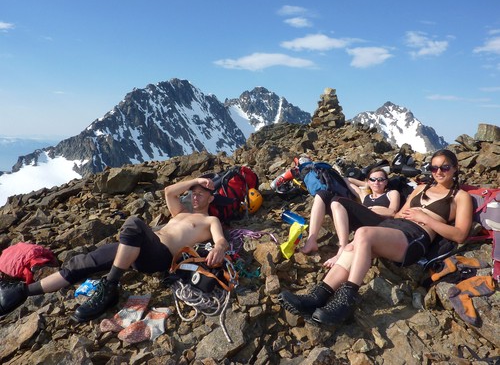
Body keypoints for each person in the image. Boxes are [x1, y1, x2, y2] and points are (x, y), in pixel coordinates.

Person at [280, 149, 472, 326]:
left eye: (445, 167)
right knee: (353, 245)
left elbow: (461, 234)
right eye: (434, 167)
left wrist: (425, 219)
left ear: (455, 168)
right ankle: (317, 296)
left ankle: (346, 301)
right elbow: (398, 215)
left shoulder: (460, 196)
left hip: (415, 237)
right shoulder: (421, 188)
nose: (438, 172)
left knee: (363, 233)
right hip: (394, 227)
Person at [0, 177, 229, 322]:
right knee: (82, 262)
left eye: (201, 193)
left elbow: (221, 241)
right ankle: (22, 292)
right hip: (137, 249)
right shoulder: (180, 212)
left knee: (134, 223)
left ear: (212, 197)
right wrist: (196, 180)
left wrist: (218, 248)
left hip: (160, 256)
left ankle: (109, 287)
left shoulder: (209, 221)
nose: (195, 196)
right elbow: (169, 190)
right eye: (193, 192)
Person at [301, 167, 401, 264]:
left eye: (381, 180)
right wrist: (366, 184)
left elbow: (392, 212)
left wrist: (370, 210)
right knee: (322, 194)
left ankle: (342, 248)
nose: (377, 182)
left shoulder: (391, 193)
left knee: (337, 201)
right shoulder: (364, 195)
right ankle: (312, 239)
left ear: (386, 182)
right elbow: (346, 179)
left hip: (379, 224)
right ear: (368, 181)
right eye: (373, 179)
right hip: (362, 224)